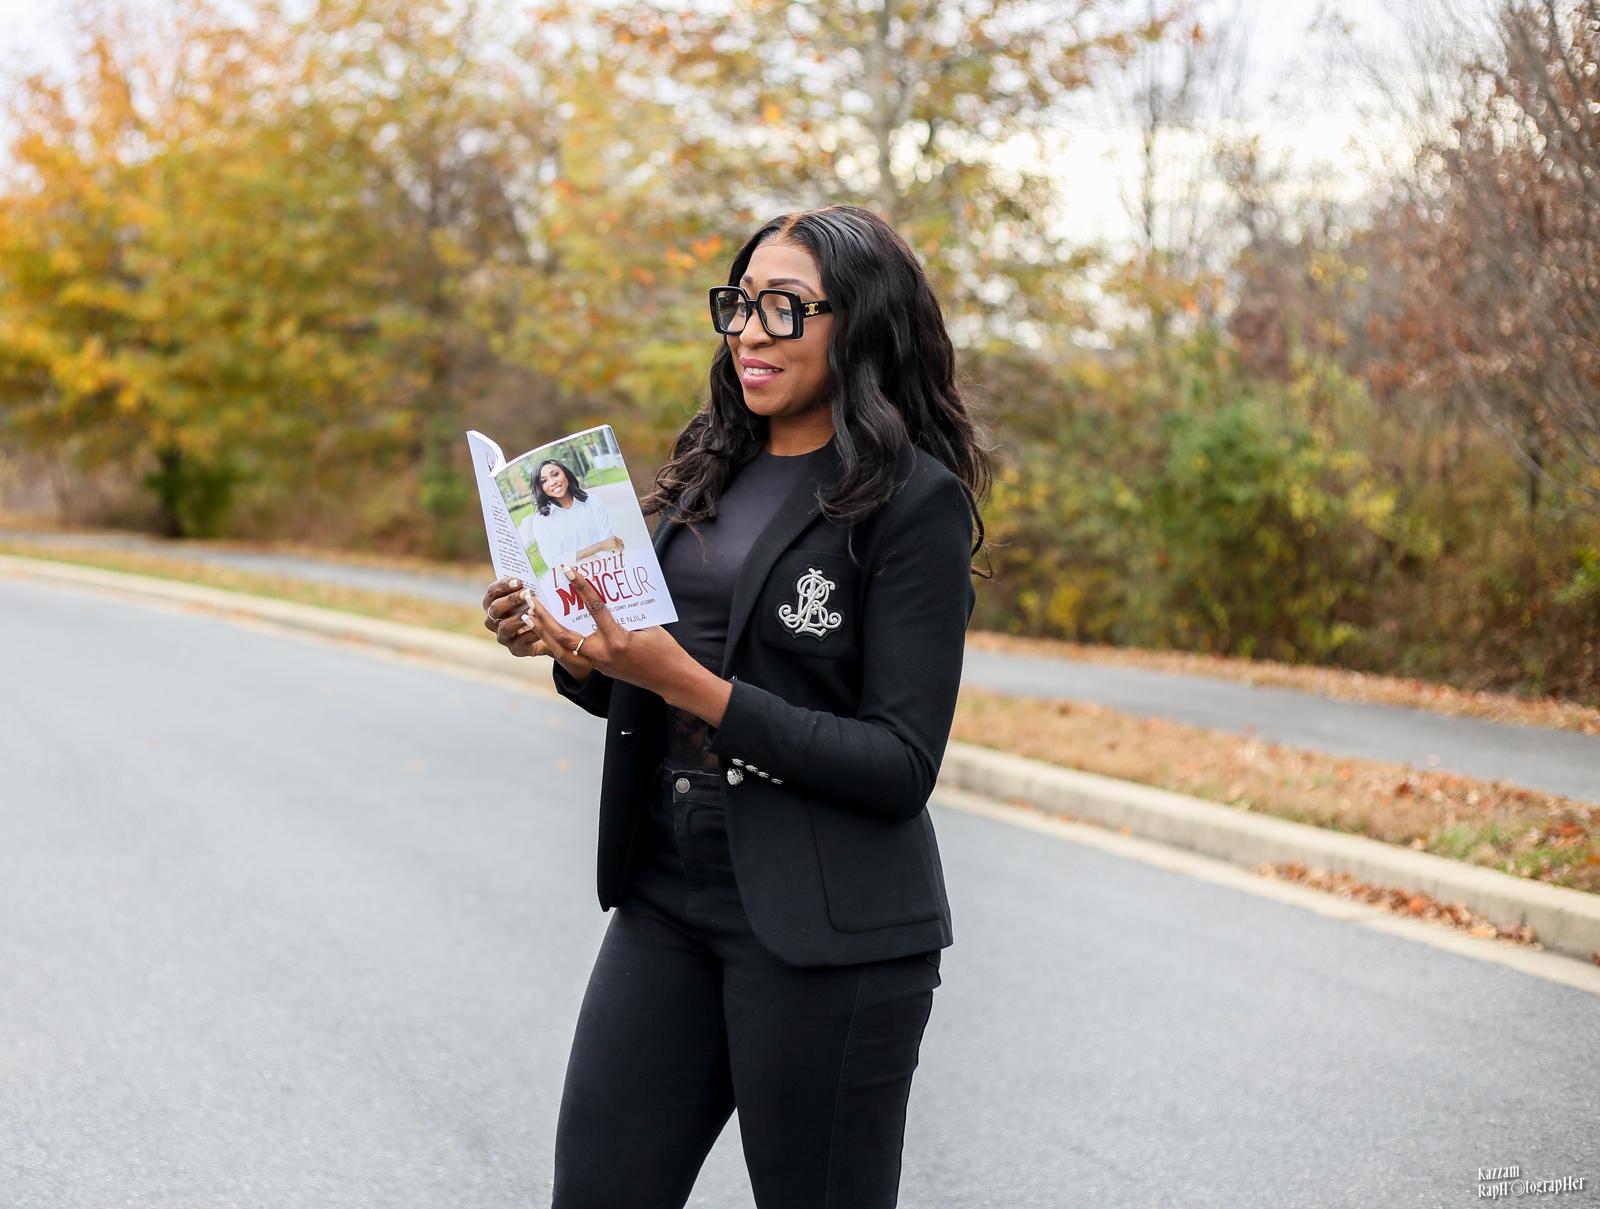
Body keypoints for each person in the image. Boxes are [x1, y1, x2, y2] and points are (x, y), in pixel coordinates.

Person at [481, 203, 990, 1209]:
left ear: (862, 324)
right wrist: (578, 654)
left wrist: (687, 684)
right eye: (739, 305)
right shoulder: (707, 468)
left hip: (825, 928)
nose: (749, 333)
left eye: (786, 309)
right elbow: (652, 674)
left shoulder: (910, 504)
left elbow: (897, 765)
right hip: (668, 895)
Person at [517, 458, 623, 574]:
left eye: (555, 474)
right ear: (540, 488)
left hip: (607, 572)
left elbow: (609, 544)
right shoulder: (541, 520)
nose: (553, 482)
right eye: (544, 481)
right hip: (572, 580)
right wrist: (599, 547)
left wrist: (599, 558)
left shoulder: (593, 501)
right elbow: (555, 562)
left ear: (566, 474)